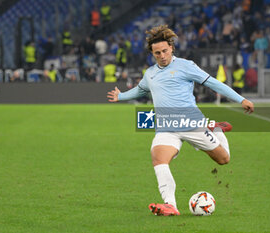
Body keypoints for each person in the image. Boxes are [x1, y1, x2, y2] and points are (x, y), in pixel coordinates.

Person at [107, 25, 254, 216]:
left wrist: (240, 99)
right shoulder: (150, 73)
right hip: (167, 128)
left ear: (171, 48)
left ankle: (216, 130)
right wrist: (122, 96)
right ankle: (170, 205)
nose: (162, 55)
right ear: (152, 53)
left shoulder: (186, 66)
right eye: (157, 53)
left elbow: (213, 83)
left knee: (223, 159)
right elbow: (140, 89)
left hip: (193, 125)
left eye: (165, 51)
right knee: (159, 158)